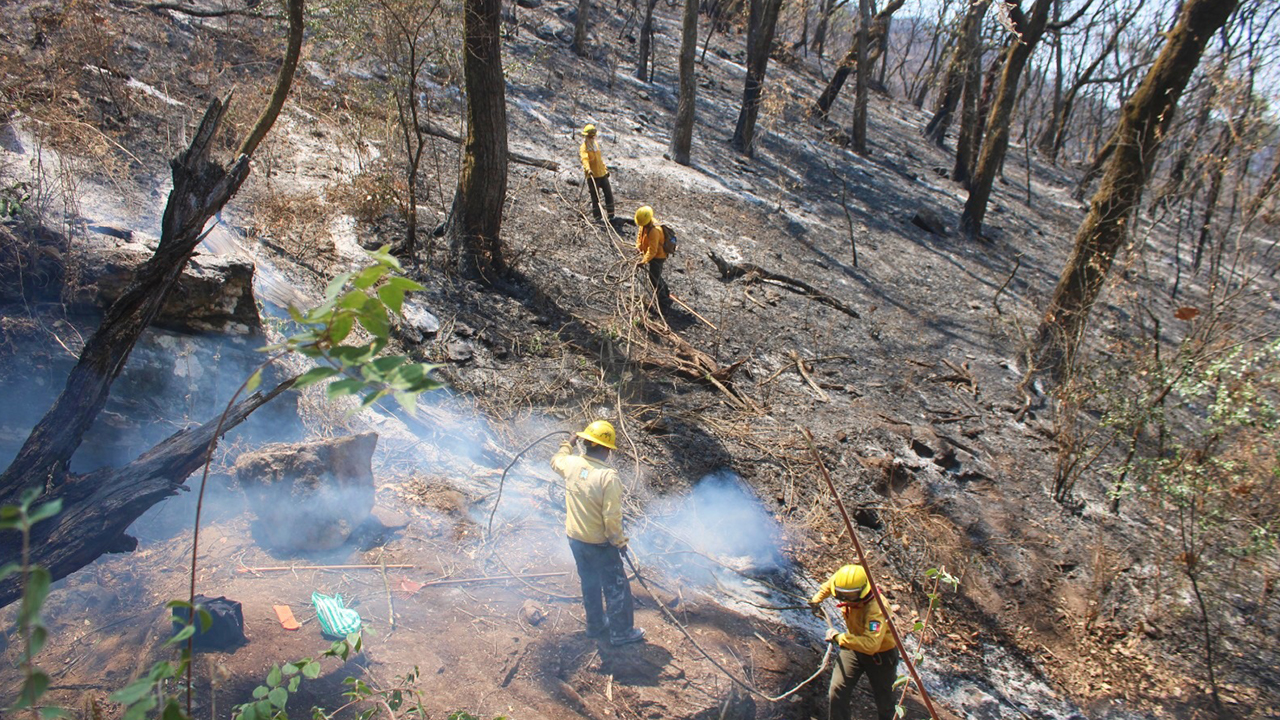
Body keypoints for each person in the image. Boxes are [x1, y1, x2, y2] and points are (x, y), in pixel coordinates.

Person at [550, 420, 645, 646]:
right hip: (600, 543)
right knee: (616, 586)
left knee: (589, 582)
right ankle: (621, 632)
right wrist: (619, 541)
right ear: (606, 449)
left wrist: (568, 444)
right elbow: (611, 517)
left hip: (575, 539)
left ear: (585, 443)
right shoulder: (607, 477)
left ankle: (594, 625)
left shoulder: (571, 464)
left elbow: (556, 461)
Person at [810, 564, 899, 720]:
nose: (845, 600)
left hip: (880, 656)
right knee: (837, 690)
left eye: (850, 597)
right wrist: (816, 599)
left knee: (886, 702)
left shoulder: (877, 608)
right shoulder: (845, 582)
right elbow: (829, 585)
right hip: (853, 646)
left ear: (862, 592)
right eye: (841, 595)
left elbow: (871, 645)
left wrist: (839, 638)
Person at [633, 205, 670, 309]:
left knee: (654, 278)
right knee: (656, 275)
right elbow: (640, 235)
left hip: (658, 256)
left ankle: (663, 302)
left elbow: (653, 251)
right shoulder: (644, 224)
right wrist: (638, 247)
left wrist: (643, 261)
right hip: (651, 254)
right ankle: (666, 292)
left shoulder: (654, 231)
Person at [579, 124, 616, 221]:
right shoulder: (584, 147)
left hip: (602, 174)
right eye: (590, 136)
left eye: (592, 136)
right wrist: (588, 169)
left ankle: (611, 215)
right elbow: (585, 159)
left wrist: (605, 168)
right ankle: (598, 217)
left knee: (608, 193)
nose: (591, 138)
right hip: (592, 176)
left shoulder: (596, 145)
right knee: (595, 197)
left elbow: (599, 159)